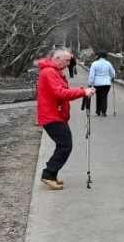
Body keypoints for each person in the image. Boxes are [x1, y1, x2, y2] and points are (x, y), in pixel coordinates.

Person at [36, 47, 94, 190]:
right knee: (65, 145)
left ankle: (51, 174)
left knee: (63, 145)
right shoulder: (49, 72)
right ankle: (48, 174)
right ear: (57, 58)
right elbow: (60, 93)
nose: (69, 63)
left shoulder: (54, 71)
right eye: (67, 60)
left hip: (55, 115)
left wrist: (81, 91)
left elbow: (62, 91)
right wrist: (82, 92)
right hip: (51, 116)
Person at [87, 51, 116, 117]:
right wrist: (112, 77)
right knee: (104, 96)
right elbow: (113, 73)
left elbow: (91, 75)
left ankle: (98, 111)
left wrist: (90, 83)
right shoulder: (108, 63)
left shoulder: (94, 64)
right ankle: (104, 112)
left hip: (97, 83)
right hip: (106, 83)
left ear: (98, 56)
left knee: (98, 96)